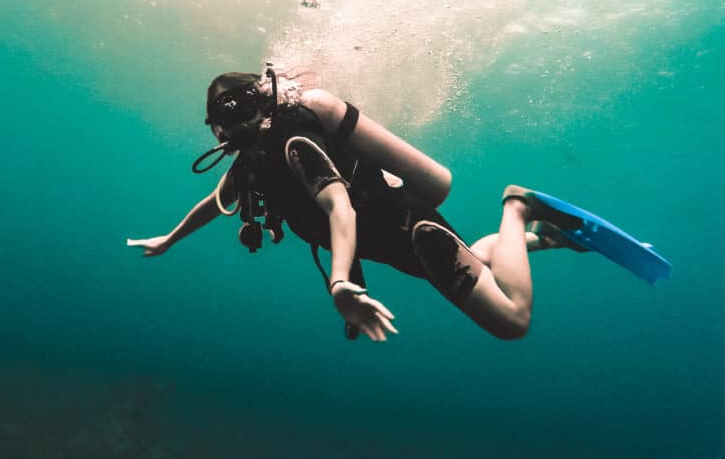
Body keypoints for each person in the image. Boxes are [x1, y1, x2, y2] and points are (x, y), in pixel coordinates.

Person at [127, 67, 583, 342]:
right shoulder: (253, 164)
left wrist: (340, 282)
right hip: (407, 242)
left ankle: (516, 208)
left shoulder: (293, 147)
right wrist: (170, 239)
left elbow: (338, 208)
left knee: (513, 322)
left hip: (412, 229)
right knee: (481, 257)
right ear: (217, 130)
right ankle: (542, 240)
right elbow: (215, 202)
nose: (230, 131)